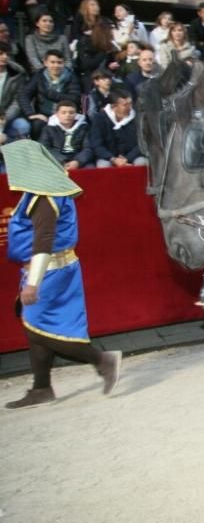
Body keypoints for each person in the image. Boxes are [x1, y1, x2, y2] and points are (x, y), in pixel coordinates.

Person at [2, 139, 121, 408]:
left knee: (40, 329)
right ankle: (41, 388)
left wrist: (32, 284)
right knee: (35, 328)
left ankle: (102, 361)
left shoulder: (44, 195)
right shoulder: (39, 190)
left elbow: (44, 240)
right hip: (50, 269)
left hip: (49, 271)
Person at [19, 49, 81, 139]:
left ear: (63, 63)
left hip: (65, 115)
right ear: (45, 63)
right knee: (37, 124)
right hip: (44, 115)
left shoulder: (71, 77)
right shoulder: (38, 77)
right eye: (52, 62)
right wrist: (31, 113)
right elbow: (24, 95)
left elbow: (74, 98)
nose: (56, 65)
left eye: (59, 62)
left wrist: (52, 94)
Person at [89, 89, 146, 167]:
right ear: (114, 106)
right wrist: (113, 159)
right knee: (103, 166)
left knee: (141, 163)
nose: (130, 107)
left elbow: (142, 142)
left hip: (132, 156)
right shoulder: (100, 118)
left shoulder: (138, 118)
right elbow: (96, 144)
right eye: (125, 105)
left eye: (130, 103)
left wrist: (127, 158)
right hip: (108, 157)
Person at [40, 100, 92, 169]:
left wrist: (78, 161)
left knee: (90, 168)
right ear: (57, 114)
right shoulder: (48, 128)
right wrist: (62, 161)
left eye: (71, 113)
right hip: (57, 159)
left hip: (77, 158)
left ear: (76, 114)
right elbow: (45, 147)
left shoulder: (84, 128)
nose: (67, 115)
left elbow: (88, 148)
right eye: (63, 113)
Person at [0, 41, 31, 142]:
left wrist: (5, 118)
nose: (5, 57)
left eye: (7, 54)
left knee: (23, 126)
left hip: (6, 117)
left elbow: (17, 101)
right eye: (1, 54)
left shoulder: (17, 74)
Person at [24, 10, 71, 75]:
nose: (48, 24)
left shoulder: (62, 38)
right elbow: (33, 60)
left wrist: (63, 72)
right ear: (37, 23)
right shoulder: (30, 39)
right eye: (44, 21)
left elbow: (68, 60)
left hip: (61, 73)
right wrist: (48, 74)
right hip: (39, 74)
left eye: (51, 21)